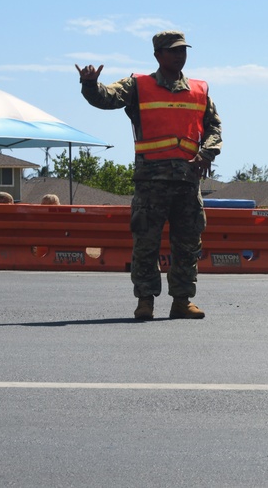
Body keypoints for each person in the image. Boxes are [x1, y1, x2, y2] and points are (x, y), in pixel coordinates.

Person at [76, 30, 222, 321]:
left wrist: (207, 152)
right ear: (158, 55)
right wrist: (90, 85)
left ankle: (182, 301)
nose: (180, 55)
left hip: (187, 183)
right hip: (151, 184)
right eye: (173, 51)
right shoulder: (138, 85)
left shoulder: (199, 89)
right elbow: (107, 98)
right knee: (146, 244)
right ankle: (145, 301)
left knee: (187, 244)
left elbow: (214, 128)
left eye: (183, 50)